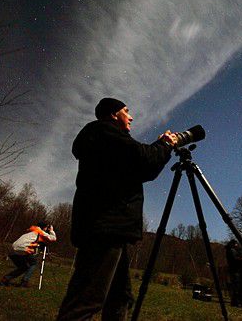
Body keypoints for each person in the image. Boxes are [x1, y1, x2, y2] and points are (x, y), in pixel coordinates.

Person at [57, 98, 178, 321]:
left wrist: (160, 147)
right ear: (114, 114)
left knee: (120, 297)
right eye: (126, 111)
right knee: (86, 301)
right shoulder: (104, 133)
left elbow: (137, 162)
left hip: (107, 227)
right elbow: (143, 161)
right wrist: (165, 144)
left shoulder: (105, 140)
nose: (131, 117)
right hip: (104, 227)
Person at [1, 222, 56, 287]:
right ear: (43, 228)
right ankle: (24, 281)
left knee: (23, 267)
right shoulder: (40, 232)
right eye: (46, 227)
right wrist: (51, 230)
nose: (47, 229)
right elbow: (53, 238)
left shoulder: (30, 232)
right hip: (23, 250)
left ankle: (5, 279)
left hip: (12, 250)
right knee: (33, 263)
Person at [225, 239, 242, 307]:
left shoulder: (230, 250)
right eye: (236, 244)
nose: (237, 245)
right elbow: (234, 260)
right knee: (236, 286)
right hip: (235, 270)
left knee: (236, 286)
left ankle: (235, 302)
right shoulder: (232, 251)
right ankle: (235, 302)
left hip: (233, 270)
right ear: (233, 244)